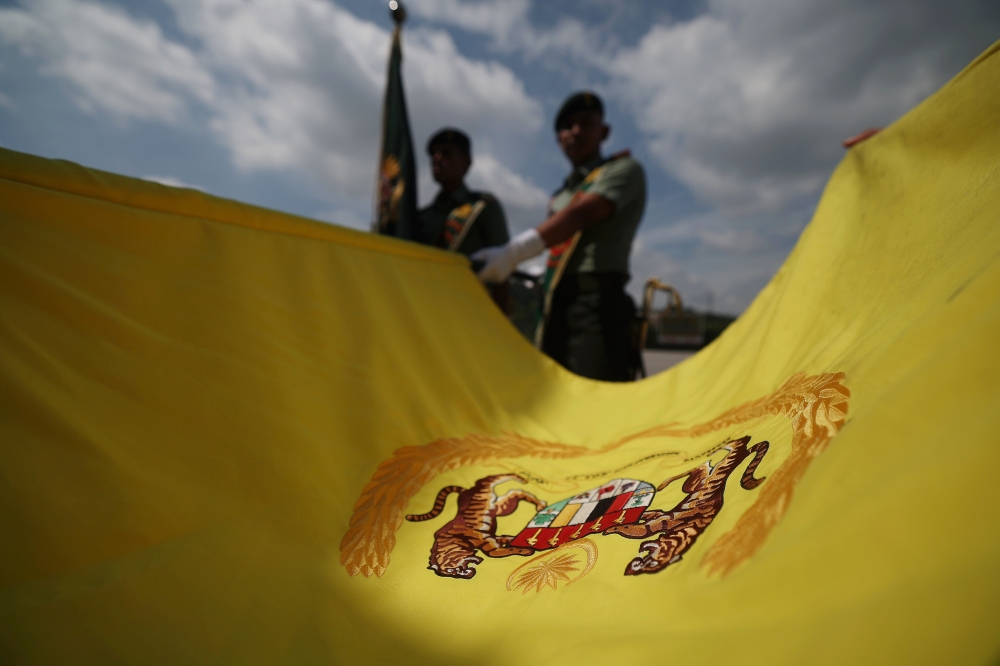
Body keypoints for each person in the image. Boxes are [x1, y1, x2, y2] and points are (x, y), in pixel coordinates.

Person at [473, 92, 646, 381]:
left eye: (585, 123)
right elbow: (558, 242)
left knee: (595, 404)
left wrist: (513, 253)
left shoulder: (624, 169)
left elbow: (581, 215)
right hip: (556, 306)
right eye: (567, 126)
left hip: (598, 307)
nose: (576, 131)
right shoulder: (559, 195)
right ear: (558, 139)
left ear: (604, 131)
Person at [418, 128, 509, 257]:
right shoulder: (422, 217)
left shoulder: (484, 207)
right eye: (433, 154)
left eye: (446, 153)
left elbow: (502, 261)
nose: (436, 158)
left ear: (466, 162)